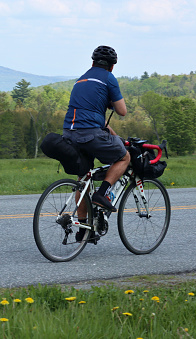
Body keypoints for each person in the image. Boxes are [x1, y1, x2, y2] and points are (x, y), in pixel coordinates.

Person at [62, 45, 129, 241]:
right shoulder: (108, 78)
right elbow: (122, 111)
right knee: (124, 156)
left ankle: (84, 230)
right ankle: (102, 193)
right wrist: (111, 100)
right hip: (89, 134)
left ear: (92, 62)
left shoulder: (80, 79)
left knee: (83, 180)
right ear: (112, 67)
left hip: (69, 133)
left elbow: (90, 119)